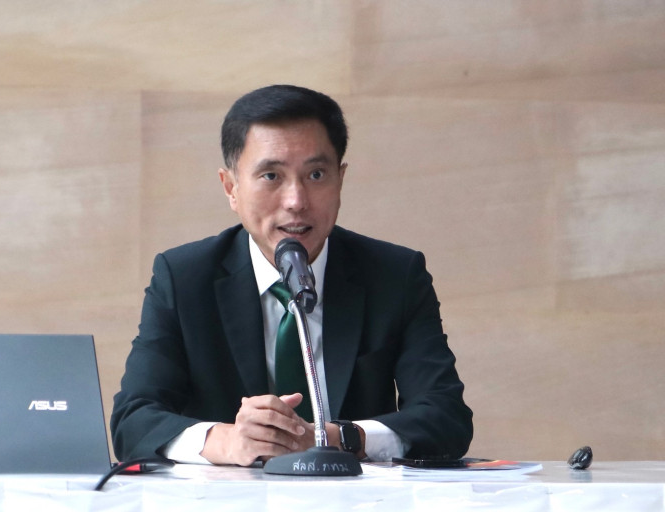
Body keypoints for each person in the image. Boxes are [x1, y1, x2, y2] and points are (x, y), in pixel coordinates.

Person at [110, 85, 473, 466]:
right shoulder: (184, 278)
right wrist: (228, 441)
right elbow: (133, 422)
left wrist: (335, 438)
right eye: (271, 176)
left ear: (340, 180)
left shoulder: (394, 275)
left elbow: (446, 418)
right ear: (231, 188)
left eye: (316, 174)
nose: (296, 201)